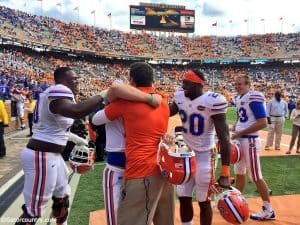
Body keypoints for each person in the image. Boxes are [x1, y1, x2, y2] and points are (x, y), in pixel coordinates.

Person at [15, 67, 106, 225]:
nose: (78, 82)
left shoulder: (52, 95)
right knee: (33, 211)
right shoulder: (59, 89)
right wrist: (102, 95)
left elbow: (51, 129)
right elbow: (76, 111)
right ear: (63, 80)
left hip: (51, 155)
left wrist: (75, 138)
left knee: (62, 196)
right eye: (74, 79)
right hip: (41, 156)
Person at [93, 62, 174, 225]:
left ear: (131, 81)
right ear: (152, 80)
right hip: (163, 169)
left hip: (140, 170)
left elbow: (95, 119)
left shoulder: (125, 102)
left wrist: (107, 96)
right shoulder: (163, 101)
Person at [168, 69, 231, 225]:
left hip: (205, 155)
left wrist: (225, 171)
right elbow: (166, 113)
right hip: (186, 154)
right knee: (183, 196)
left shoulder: (213, 100)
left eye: (186, 83)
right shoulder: (180, 96)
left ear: (198, 85)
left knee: (203, 200)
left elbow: (224, 136)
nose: (183, 87)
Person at [232, 75, 275, 221]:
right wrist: (235, 128)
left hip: (249, 141)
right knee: (239, 173)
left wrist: (241, 132)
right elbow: (241, 118)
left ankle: (268, 209)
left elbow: (263, 123)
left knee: (256, 176)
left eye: (240, 84)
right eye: (236, 84)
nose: (237, 86)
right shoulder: (239, 98)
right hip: (240, 140)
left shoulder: (253, 97)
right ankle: (236, 203)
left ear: (248, 85)